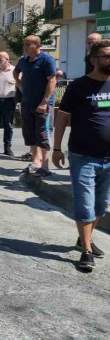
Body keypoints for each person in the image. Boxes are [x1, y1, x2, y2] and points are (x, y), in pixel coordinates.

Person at [52, 39, 110, 271]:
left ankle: (84, 238)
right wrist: (56, 148)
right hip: (83, 156)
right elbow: (62, 118)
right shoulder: (78, 87)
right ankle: (86, 251)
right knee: (85, 205)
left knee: (101, 206)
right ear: (94, 60)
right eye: (107, 56)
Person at [14, 36, 57, 177]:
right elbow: (15, 72)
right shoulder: (23, 60)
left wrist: (44, 102)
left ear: (37, 46)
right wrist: (20, 85)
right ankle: (35, 162)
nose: (24, 47)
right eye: (24, 44)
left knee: (43, 133)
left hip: (42, 105)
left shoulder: (47, 59)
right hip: (27, 103)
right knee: (30, 133)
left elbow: (52, 81)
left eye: (27, 44)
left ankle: (45, 166)